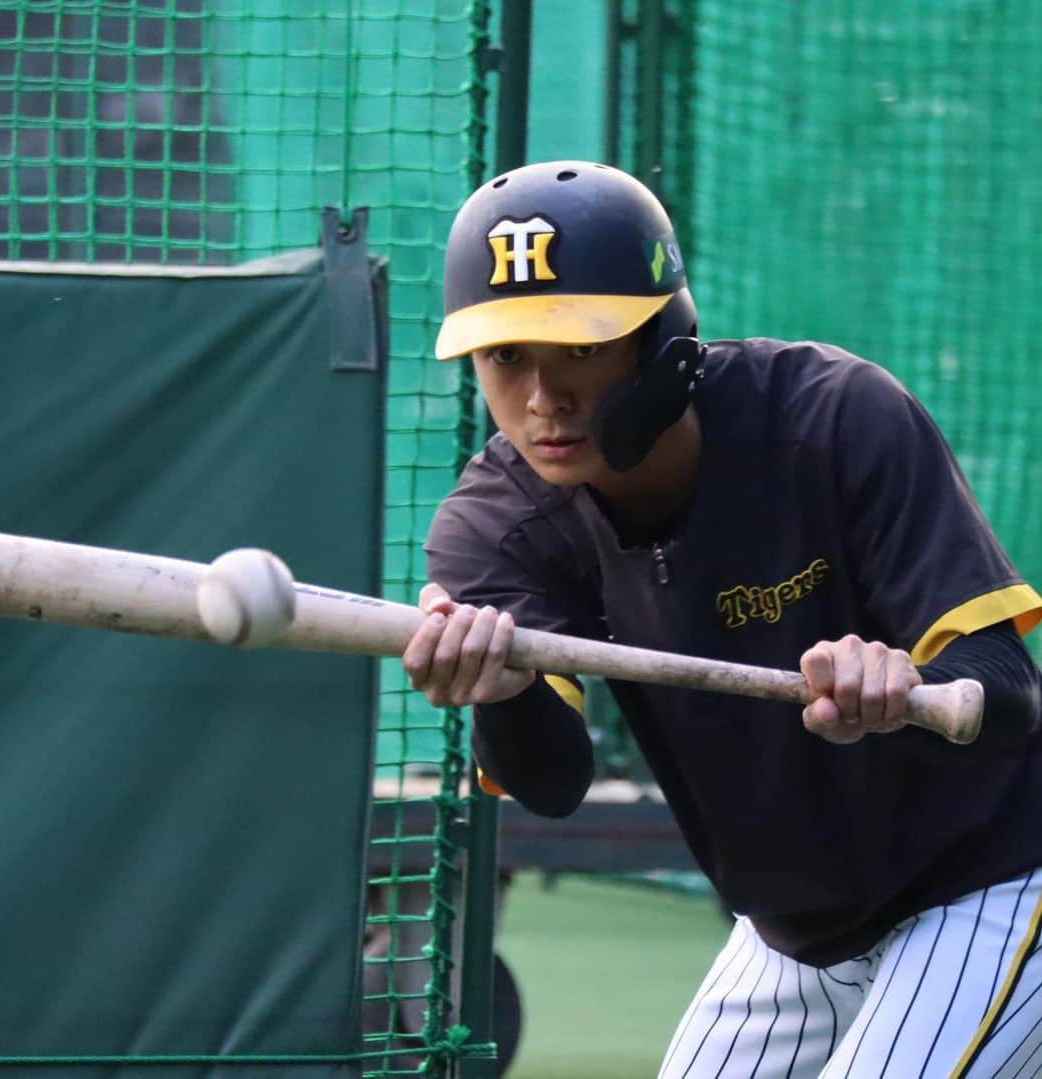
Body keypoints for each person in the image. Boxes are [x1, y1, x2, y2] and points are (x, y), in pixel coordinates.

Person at [402, 160, 1042, 1077]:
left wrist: (909, 691)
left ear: (665, 341)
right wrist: (498, 694)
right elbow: (550, 780)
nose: (542, 398)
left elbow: (1011, 691)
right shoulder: (498, 522)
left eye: (579, 348)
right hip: (794, 934)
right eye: (506, 355)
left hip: (989, 885)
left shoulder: (833, 418)